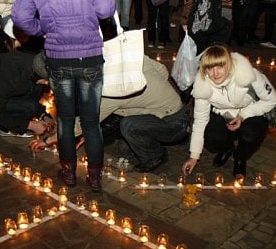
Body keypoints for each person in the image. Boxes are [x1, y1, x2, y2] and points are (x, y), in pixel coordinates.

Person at [12, 0, 115, 192]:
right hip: (89, 56)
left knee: (65, 120)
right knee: (91, 122)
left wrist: (43, 28)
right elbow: (105, 10)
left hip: (58, 57)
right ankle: (95, 178)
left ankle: (69, 174)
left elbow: (21, 18)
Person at [31, 56, 192, 173]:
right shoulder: (118, 55)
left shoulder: (106, 88)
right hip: (172, 109)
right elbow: (162, 70)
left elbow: (83, 124)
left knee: (128, 126)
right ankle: (171, 134)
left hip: (174, 121)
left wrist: (48, 140)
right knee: (125, 148)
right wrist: (149, 98)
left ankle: (157, 156)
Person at [181, 43, 276, 178]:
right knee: (210, 138)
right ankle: (227, 149)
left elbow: (272, 100)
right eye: (210, 68)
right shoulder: (202, 86)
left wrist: (243, 115)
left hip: (252, 111)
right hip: (224, 113)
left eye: (220, 66)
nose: (215, 73)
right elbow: (200, 121)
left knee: (251, 135)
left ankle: (240, 157)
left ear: (229, 64)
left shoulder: (249, 75)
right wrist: (193, 157)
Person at [0, 50, 53, 140]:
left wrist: (44, 116)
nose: (47, 83)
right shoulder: (9, 76)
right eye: (46, 80)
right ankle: (5, 129)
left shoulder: (32, 64)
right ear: (36, 74)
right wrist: (30, 125)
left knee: (35, 90)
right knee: (30, 107)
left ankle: (11, 124)